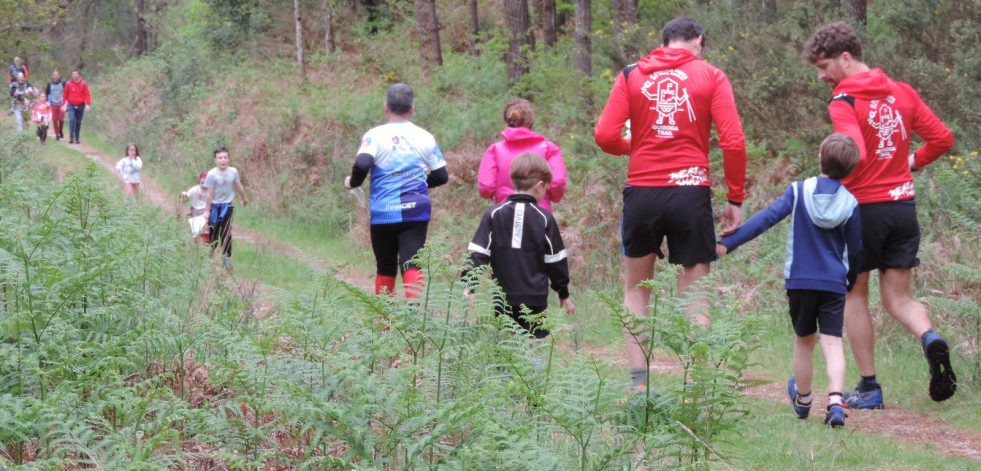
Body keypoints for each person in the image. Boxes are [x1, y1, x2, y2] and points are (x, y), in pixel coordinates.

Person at [803, 22, 956, 408]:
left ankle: (869, 387)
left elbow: (856, 153)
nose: (822, 76)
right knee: (899, 297)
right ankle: (930, 338)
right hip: (903, 207)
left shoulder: (843, 100)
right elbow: (942, 138)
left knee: (854, 295)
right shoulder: (901, 92)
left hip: (861, 211)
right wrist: (911, 163)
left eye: (824, 67)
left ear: (846, 58)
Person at [593, 16, 747, 395]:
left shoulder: (631, 75)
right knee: (695, 294)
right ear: (699, 41)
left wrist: (633, 145)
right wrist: (735, 197)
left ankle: (638, 386)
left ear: (664, 43)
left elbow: (604, 135)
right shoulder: (711, 75)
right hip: (690, 192)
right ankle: (698, 387)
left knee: (635, 290)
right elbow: (734, 143)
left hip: (642, 192)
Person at [718, 133, 863, 428]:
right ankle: (835, 402)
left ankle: (804, 399)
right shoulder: (850, 204)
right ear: (850, 170)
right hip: (834, 283)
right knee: (833, 342)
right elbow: (857, 250)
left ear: (820, 158)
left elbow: (765, 219)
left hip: (800, 282)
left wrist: (728, 244)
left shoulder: (798, 191)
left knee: (804, 340)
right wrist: (849, 280)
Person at [344, 83, 448, 299]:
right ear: (412, 109)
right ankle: (412, 320)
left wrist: (353, 183)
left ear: (386, 107)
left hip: (384, 210)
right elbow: (441, 176)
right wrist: (416, 183)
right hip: (416, 210)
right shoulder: (425, 137)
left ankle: (384, 325)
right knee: (412, 262)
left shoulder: (375, 135)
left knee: (385, 267)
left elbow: (362, 164)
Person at [465, 153, 575, 339]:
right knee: (535, 339)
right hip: (535, 297)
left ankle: (505, 368)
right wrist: (562, 292)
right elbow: (555, 261)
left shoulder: (494, 213)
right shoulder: (544, 218)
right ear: (540, 186)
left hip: (502, 296)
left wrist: (470, 285)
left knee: (507, 341)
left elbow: (478, 252)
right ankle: (534, 368)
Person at [478, 98, 567, 211]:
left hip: (504, 215)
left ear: (507, 121)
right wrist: (553, 197)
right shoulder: (549, 149)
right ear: (531, 121)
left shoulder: (495, 150)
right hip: (539, 214)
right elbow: (557, 182)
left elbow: (486, 188)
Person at [203, 146, 249, 270]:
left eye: (225, 157)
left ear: (228, 159)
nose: (223, 160)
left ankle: (227, 259)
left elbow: (239, 186)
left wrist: (244, 198)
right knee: (214, 233)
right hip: (214, 206)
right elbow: (209, 194)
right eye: (220, 158)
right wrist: (207, 211)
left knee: (226, 233)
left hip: (228, 205)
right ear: (215, 160)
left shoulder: (233, 172)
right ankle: (210, 257)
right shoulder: (212, 174)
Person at [63, 69, 91, 144]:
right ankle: (71, 137)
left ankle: (77, 137)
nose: (74, 75)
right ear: (72, 75)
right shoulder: (68, 83)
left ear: (79, 75)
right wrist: (64, 105)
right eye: (73, 74)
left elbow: (87, 94)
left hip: (80, 105)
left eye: (76, 74)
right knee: (72, 120)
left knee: (78, 122)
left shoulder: (83, 84)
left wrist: (88, 104)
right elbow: (65, 95)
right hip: (71, 105)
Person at [182, 173, 210, 243]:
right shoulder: (195, 189)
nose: (203, 185)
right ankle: (194, 240)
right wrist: (185, 195)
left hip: (205, 210)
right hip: (195, 209)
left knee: (205, 225)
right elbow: (188, 194)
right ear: (200, 181)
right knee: (195, 225)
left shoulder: (210, 191)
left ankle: (205, 240)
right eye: (202, 182)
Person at [45, 70, 66, 141]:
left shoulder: (63, 83)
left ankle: (60, 130)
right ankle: (57, 135)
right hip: (53, 104)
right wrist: (47, 104)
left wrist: (66, 103)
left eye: (57, 74)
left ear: (59, 75)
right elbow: (47, 94)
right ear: (52, 76)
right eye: (54, 74)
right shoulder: (49, 84)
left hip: (61, 104)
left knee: (61, 119)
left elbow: (67, 92)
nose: (56, 76)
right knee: (54, 120)